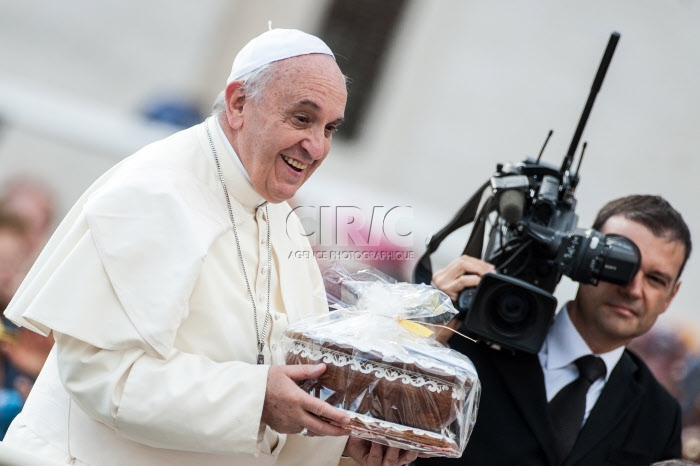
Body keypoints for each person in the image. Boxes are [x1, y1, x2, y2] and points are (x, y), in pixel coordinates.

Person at [1, 28, 418, 466]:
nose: (316, 147)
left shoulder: (277, 212)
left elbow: (284, 387)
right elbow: (104, 376)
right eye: (301, 119)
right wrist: (255, 399)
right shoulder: (155, 193)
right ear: (239, 104)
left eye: (329, 128)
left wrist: (343, 440)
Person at [416, 194, 692, 466]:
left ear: (670, 296)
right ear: (583, 259)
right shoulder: (463, 341)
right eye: (618, 266)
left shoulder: (660, 416)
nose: (633, 289)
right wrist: (423, 334)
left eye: (655, 279)